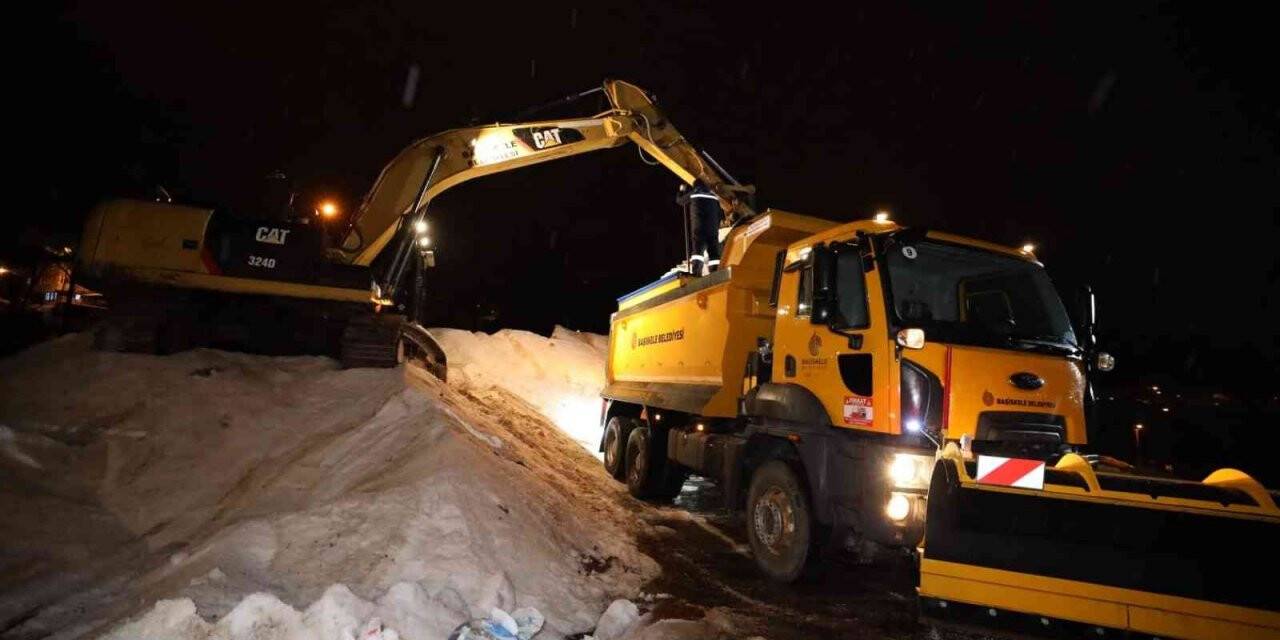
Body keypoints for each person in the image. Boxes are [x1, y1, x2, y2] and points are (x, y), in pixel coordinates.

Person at [683, 181, 724, 276]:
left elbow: (680, 200)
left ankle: (697, 272)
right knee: (713, 252)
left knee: (698, 252)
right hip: (712, 229)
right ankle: (715, 271)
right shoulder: (714, 197)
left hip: (699, 228)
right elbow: (719, 213)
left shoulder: (694, 194)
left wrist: (682, 191)